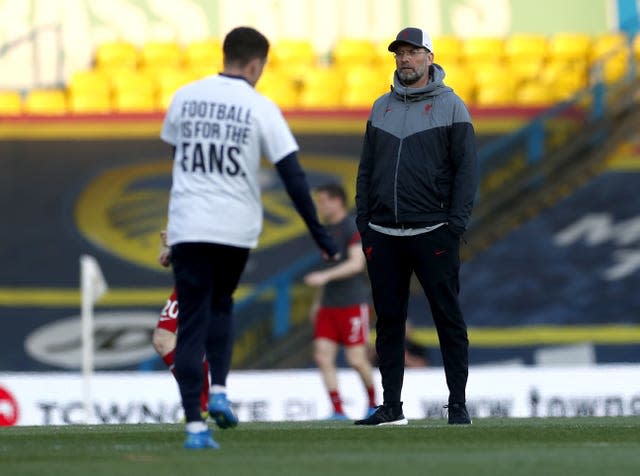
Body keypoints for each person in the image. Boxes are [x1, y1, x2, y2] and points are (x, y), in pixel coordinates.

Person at [160, 26, 339, 449]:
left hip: (188, 225)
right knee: (221, 304)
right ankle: (219, 390)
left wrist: (176, 225)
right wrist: (319, 233)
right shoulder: (260, 107)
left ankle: (195, 427)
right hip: (234, 228)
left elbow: (177, 157)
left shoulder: (184, 97)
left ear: (225, 55)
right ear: (256, 64)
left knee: (189, 325)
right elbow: (293, 176)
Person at [354, 27, 478, 426]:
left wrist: (454, 224)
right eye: (399, 54)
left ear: (429, 57)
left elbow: (467, 171)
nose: (404, 59)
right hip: (384, 234)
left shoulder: (452, 106)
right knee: (389, 323)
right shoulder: (380, 107)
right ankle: (391, 407)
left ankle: (456, 406)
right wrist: (365, 223)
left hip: (434, 231)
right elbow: (366, 170)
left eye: (412, 52)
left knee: (448, 318)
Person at [303, 183, 377, 420]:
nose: (320, 206)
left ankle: (375, 403)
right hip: (329, 304)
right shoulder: (326, 231)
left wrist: (324, 277)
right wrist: (318, 301)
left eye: (323, 200)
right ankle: (337, 410)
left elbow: (357, 263)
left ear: (338, 201)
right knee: (322, 356)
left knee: (356, 359)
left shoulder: (351, 226)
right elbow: (329, 266)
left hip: (352, 303)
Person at [152, 232, 210, 420]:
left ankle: (202, 404)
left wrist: (180, 241)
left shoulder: (200, 206)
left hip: (203, 271)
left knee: (164, 338)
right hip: (195, 272)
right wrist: (171, 249)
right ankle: (206, 404)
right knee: (187, 339)